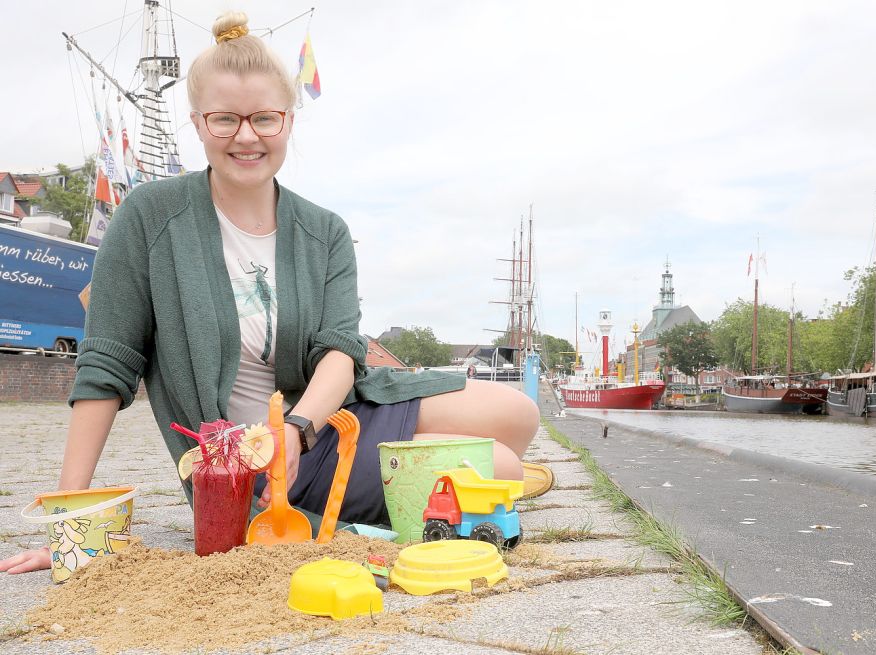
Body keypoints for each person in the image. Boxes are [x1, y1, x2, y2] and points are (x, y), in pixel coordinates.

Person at [1, 11, 544, 576]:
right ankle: (450, 484)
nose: (246, 136)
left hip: (324, 418)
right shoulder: (150, 219)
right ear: (196, 122)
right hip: (247, 464)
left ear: (286, 120)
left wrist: (298, 428)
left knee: (516, 414)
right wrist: (68, 529)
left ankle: (434, 472)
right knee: (500, 466)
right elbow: (106, 364)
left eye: (264, 118)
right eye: (225, 119)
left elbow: (340, 350)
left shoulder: (323, 230)